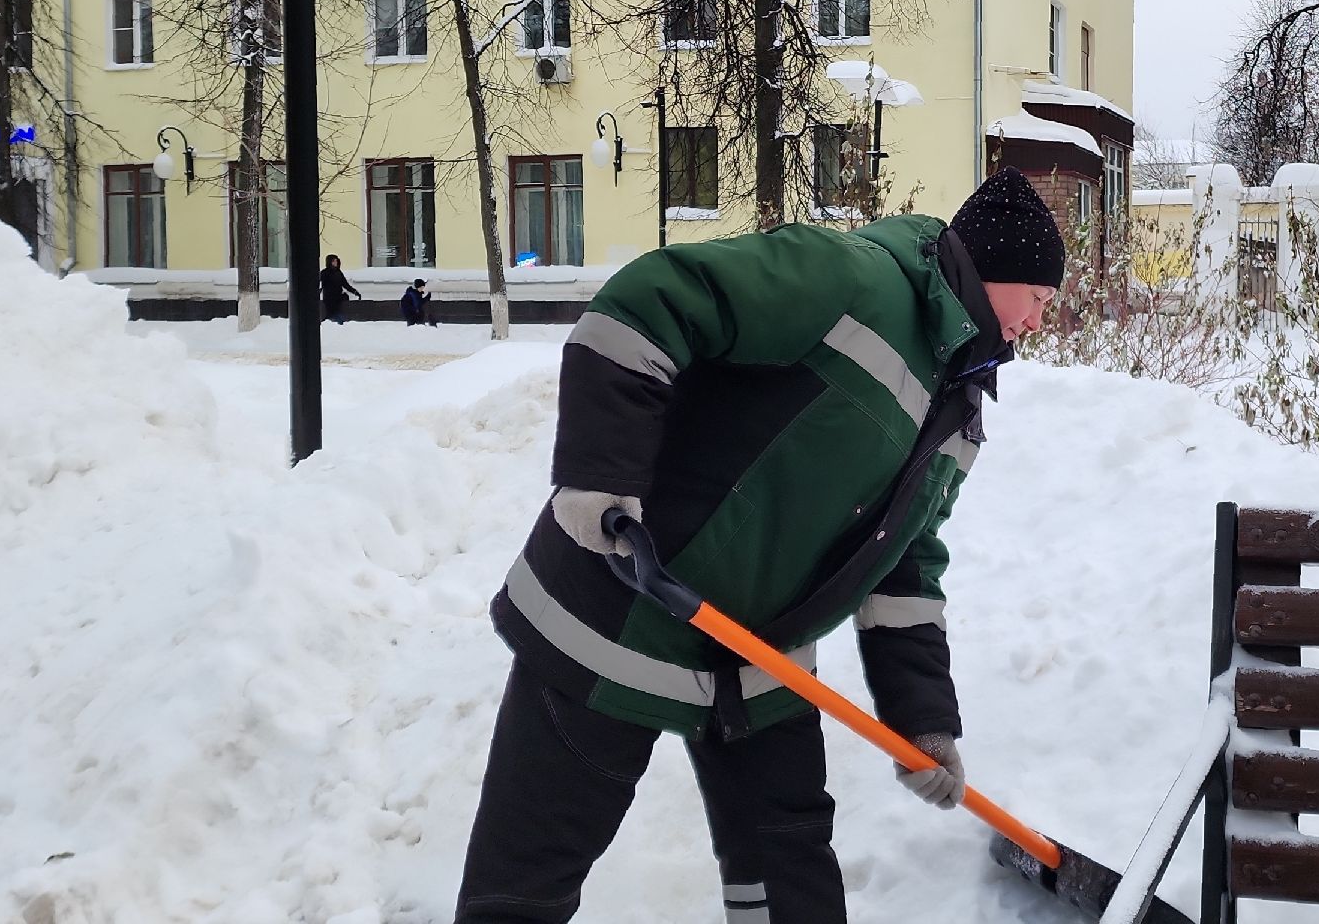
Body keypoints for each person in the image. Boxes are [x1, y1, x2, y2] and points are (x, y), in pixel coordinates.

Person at [453, 168, 1065, 924]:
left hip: (755, 654)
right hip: (620, 606)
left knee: (787, 867)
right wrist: (596, 475)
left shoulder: (958, 414)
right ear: (992, 269)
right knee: (530, 871)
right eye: (1037, 299)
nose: (1038, 322)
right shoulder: (852, 280)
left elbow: (901, 568)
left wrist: (924, 722)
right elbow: (651, 300)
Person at [321, 254, 361, 324]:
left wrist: (355, 292)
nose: (335, 263)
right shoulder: (324, 273)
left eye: (336, 261)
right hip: (329, 299)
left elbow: (345, 284)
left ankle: (339, 320)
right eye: (334, 261)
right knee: (333, 316)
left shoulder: (338, 273)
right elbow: (320, 285)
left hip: (338, 298)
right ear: (329, 262)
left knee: (345, 298)